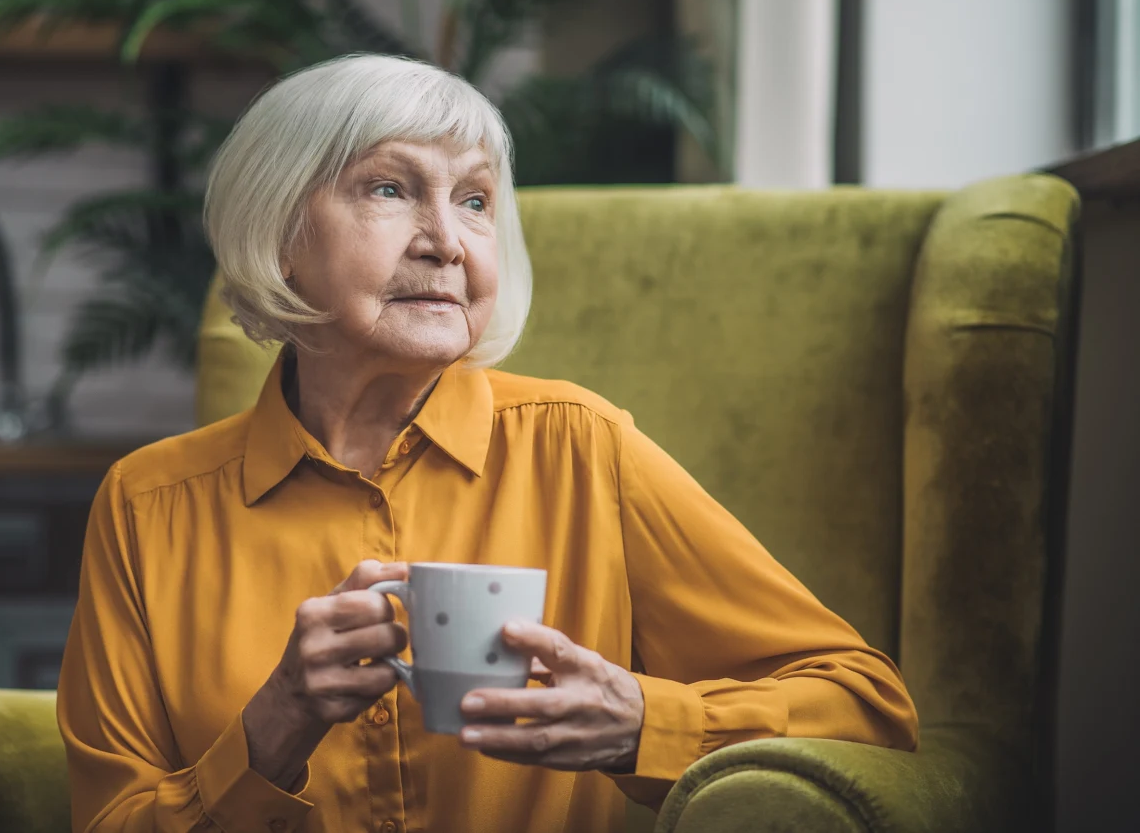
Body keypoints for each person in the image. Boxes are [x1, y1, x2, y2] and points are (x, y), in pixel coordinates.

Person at [56, 54, 918, 833]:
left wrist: (641, 724)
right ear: (279, 235)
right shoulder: (149, 504)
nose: (447, 242)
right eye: (389, 190)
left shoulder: (582, 448)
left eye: (474, 201)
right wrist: (274, 724)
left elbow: (866, 704)